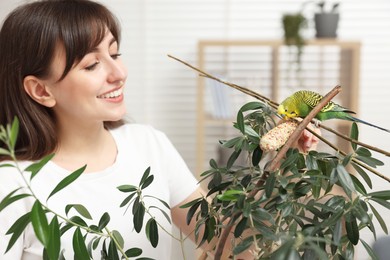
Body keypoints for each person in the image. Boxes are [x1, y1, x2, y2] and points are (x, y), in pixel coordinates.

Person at [0, 1, 320, 259]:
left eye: (114, 54)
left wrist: (285, 165)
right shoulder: (12, 184)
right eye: (91, 64)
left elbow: (226, 244)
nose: (118, 73)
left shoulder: (148, 144)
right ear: (41, 90)